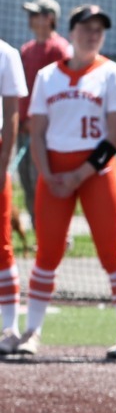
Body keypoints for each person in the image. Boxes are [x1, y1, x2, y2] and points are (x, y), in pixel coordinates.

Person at [17, 5, 116, 359]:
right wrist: (49, 173)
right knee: (47, 253)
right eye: (86, 27)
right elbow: (36, 132)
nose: (93, 34)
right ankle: (31, 332)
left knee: (112, 251)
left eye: (99, 28)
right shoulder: (48, 76)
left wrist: (78, 175)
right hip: (54, 173)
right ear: (71, 31)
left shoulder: (114, 74)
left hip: (96, 171)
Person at [14, 0, 69, 234]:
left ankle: (56, 234)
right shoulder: (26, 50)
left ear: (50, 18)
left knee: (43, 184)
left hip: (45, 133)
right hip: (22, 129)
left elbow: (62, 91)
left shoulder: (59, 49)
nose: (31, 19)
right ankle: (40, 235)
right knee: (26, 182)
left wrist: (37, 123)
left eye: (36, 14)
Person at [0, 34, 23, 352]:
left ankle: (9, 327)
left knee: (2, 243)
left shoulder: (6, 54)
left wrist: (3, 165)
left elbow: (12, 116)